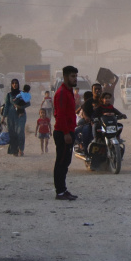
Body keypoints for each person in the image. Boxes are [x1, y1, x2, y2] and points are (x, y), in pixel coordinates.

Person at [52, 66, 80, 201]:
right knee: (61, 163)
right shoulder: (62, 93)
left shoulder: (69, 92)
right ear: (65, 77)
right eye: (72, 76)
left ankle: (63, 189)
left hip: (69, 131)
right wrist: (66, 133)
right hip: (63, 132)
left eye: (76, 76)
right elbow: (60, 114)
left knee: (65, 162)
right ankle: (60, 192)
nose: (75, 79)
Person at [2, 78, 28, 157]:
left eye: (16, 83)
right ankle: (14, 150)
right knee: (12, 133)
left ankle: (21, 149)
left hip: (21, 115)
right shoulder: (9, 95)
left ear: (18, 84)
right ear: (11, 85)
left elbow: (28, 103)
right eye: (13, 83)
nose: (14, 85)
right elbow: (6, 106)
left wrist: (20, 107)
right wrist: (3, 117)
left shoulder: (22, 94)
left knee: (20, 132)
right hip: (11, 117)